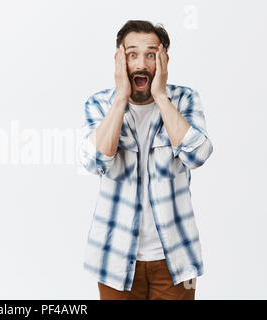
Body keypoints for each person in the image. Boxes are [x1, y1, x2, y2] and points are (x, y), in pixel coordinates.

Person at [78, 20, 213, 300]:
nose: (141, 63)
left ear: (164, 59)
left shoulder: (184, 99)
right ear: (119, 59)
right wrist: (121, 99)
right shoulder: (100, 104)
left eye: (151, 54)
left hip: (175, 259)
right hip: (114, 260)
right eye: (132, 54)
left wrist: (160, 96)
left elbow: (197, 155)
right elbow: (94, 162)